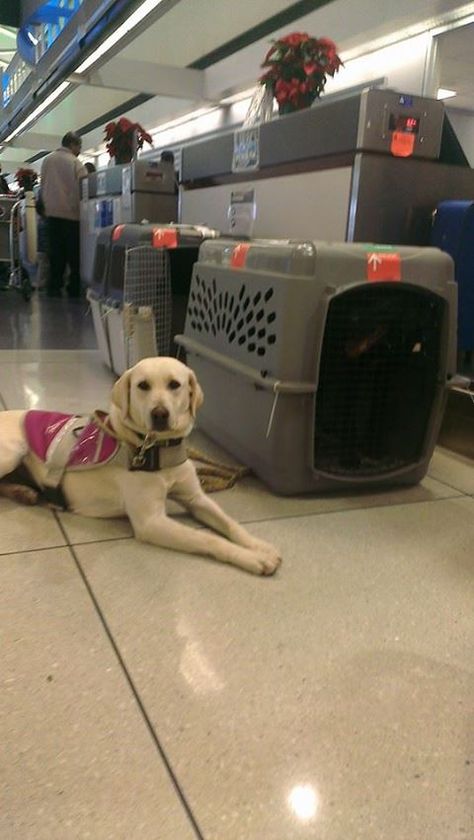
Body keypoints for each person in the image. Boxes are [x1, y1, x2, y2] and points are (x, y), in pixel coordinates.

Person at [40, 131, 86, 297]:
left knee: (55, 254)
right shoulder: (76, 163)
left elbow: (43, 185)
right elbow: (83, 188)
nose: (80, 150)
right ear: (72, 144)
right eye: (79, 146)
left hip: (51, 215)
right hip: (72, 216)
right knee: (73, 256)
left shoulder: (47, 160)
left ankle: (54, 286)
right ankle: (73, 287)